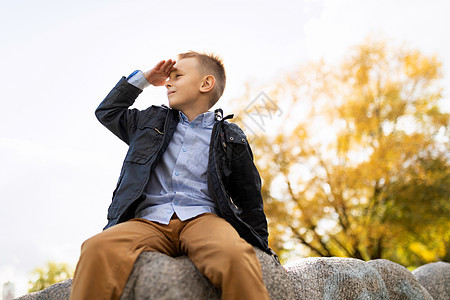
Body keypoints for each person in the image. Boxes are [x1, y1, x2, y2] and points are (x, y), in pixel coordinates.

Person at [70, 51, 277, 300]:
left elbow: (249, 200)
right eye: (169, 77)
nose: (168, 82)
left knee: (235, 254)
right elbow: (108, 112)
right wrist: (145, 78)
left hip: (202, 219)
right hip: (148, 221)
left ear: (206, 84)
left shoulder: (230, 137)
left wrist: (265, 251)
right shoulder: (148, 122)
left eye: (177, 76)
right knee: (95, 247)